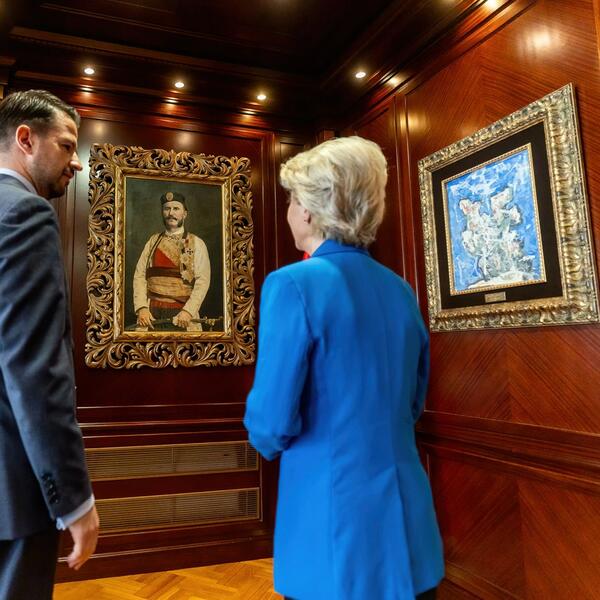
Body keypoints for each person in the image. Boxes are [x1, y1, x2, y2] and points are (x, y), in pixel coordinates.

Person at [244, 136, 444, 600]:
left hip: (331, 524)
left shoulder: (292, 284)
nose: (289, 211)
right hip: (409, 529)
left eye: (292, 200)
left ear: (309, 211)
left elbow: (270, 423)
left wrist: (269, 440)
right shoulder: (399, 289)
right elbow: (414, 401)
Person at [0, 90, 99, 599]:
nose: (76, 162)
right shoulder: (26, 214)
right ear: (25, 139)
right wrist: (74, 499)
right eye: (66, 145)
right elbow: (35, 370)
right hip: (13, 493)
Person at [133, 191, 210, 331]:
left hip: (183, 316)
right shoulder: (152, 241)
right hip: (151, 315)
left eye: (176, 209)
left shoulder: (196, 243)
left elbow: (202, 281)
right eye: (167, 209)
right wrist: (142, 308)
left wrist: (188, 311)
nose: (171, 213)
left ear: (184, 214)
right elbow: (140, 275)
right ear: (162, 212)